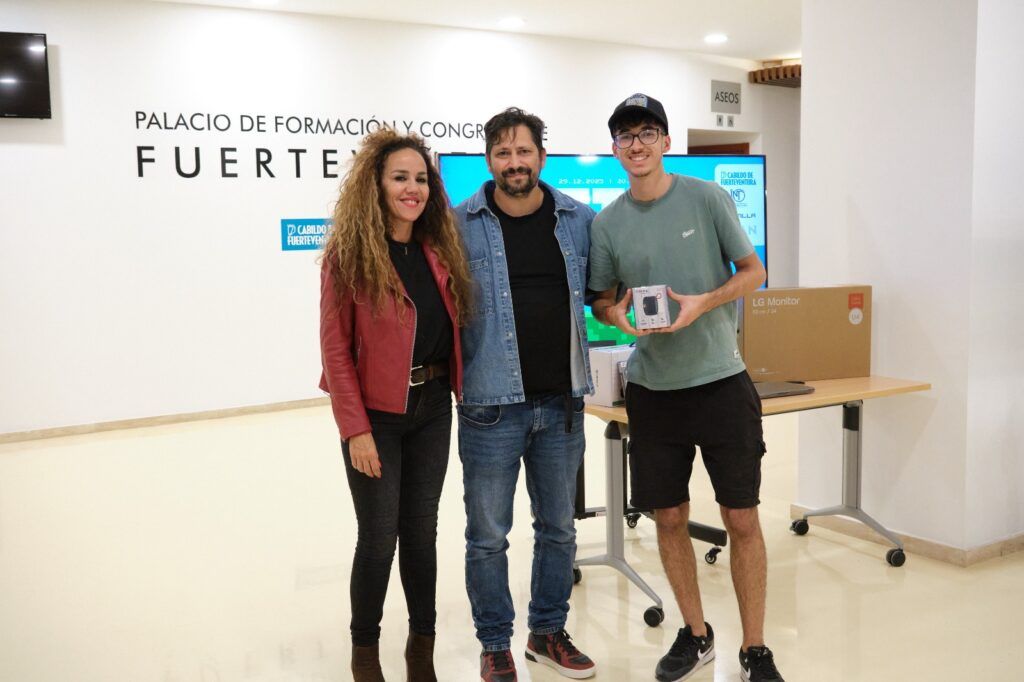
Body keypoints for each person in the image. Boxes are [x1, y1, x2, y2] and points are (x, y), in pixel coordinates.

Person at [588, 94, 785, 682]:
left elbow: (754, 272)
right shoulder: (607, 223)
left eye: (647, 133)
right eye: (625, 136)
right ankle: (696, 634)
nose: (637, 144)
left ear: (666, 142)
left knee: (741, 518)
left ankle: (755, 648)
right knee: (669, 517)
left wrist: (706, 301)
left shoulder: (707, 198)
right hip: (652, 390)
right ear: (615, 149)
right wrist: (618, 316)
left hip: (722, 382)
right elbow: (602, 300)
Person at [318, 129, 473, 682]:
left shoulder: (438, 250)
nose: (413, 188)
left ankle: (421, 650)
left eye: (421, 179)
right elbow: (335, 349)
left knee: (422, 532)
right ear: (376, 185)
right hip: (376, 417)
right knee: (380, 537)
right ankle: (364, 653)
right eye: (400, 177)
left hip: (432, 407)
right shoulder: (348, 254)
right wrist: (354, 429)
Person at [453, 107, 597, 682]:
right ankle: (495, 644)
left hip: (562, 405)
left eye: (523, 151)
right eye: (503, 153)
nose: (514, 162)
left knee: (559, 528)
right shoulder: (458, 225)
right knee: (488, 536)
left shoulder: (579, 220)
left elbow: (604, 293)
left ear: (542, 155)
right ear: (489, 160)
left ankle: (547, 631)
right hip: (490, 408)